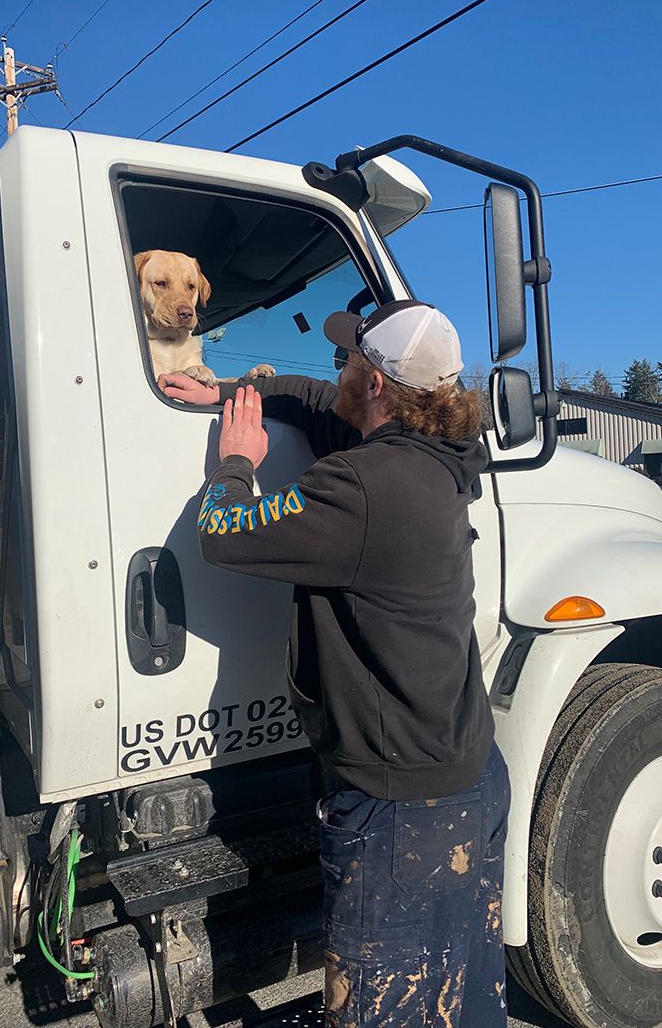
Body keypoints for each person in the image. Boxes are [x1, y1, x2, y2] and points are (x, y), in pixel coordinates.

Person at [158, 300, 511, 1028]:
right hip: (468, 778)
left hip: (400, 814)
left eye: (350, 357)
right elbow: (323, 402)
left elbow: (222, 532)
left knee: (385, 1013)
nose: (339, 367)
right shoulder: (442, 457)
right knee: (466, 1001)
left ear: (378, 382)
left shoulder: (362, 487)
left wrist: (236, 460)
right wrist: (231, 390)